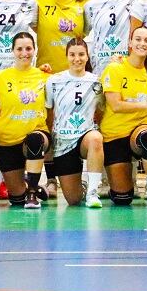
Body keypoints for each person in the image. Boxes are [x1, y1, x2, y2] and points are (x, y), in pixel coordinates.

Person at [99, 25, 147, 207]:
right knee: (122, 199)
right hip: (114, 134)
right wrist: (144, 104)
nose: (142, 44)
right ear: (130, 42)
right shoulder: (115, 68)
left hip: (139, 129)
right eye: (138, 39)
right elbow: (115, 105)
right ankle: (125, 182)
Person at [0, 32, 52, 209]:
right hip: (7, 139)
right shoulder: (0, 77)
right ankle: (33, 186)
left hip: (36, 132)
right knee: (16, 199)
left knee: (34, 141)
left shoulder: (44, 76)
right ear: (13, 51)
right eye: (20, 49)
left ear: (34, 50)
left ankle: (32, 193)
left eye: (29, 48)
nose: (25, 53)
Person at [46, 38, 105, 207]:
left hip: (85, 137)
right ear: (66, 56)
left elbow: (101, 110)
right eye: (72, 54)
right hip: (63, 141)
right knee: (73, 199)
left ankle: (93, 193)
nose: (77, 59)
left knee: (95, 138)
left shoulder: (96, 81)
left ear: (87, 57)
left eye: (81, 54)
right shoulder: (54, 81)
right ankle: (83, 188)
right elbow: (49, 111)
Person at [34, 0, 90, 73]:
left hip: (75, 71)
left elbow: (87, 30)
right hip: (46, 70)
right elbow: (34, 26)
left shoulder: (84, 1)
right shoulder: (38, 0)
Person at [84, 0, 134, 73]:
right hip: (100, 65)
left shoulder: (132, 2)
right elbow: (86, 32)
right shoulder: (91, 5)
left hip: (125, 63)